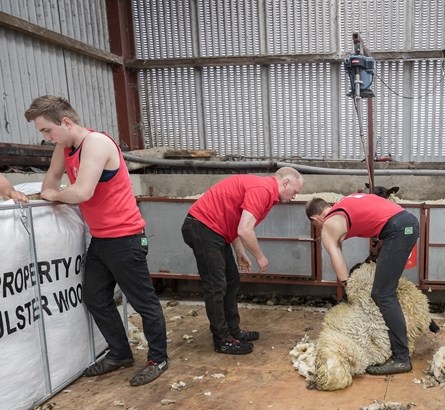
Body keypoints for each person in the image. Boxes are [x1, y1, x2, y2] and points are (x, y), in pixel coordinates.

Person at [25, 95, 168, 386]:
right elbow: (49, 184)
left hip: (125, 237)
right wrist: (55, 191)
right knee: (95, 297)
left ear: (65, 122)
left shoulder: (97, 144)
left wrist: (56, 195)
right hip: (102, 238)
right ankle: (120, 352)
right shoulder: (64, 147)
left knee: (144, 302)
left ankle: (158, 358)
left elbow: (81, 192)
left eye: (47, 130)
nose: (46, 137)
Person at [181, 167, 304, 354]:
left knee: (231, 280)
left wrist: (239, 252)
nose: (295, 196)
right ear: (285, 182)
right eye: (295, 191)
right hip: (202, 227)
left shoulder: (265, 191)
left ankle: (233, 330)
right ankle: (222, 340)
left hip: (215, 231)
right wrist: (259, 256)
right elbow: (245, 230)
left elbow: (236, 222)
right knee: (216, 285)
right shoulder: (263, 190)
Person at [306, 193, 419, 375]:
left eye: (315, 225)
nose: (319, 228)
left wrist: (347, 288)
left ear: (315, 218)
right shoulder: (344, 203)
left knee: (382, 294)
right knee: (385, 290)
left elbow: (336, 256)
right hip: (404, 223)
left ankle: (401, 358)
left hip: (398, 230)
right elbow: (382, 210)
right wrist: (381, 241)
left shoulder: (328, 223)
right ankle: (396, 345)